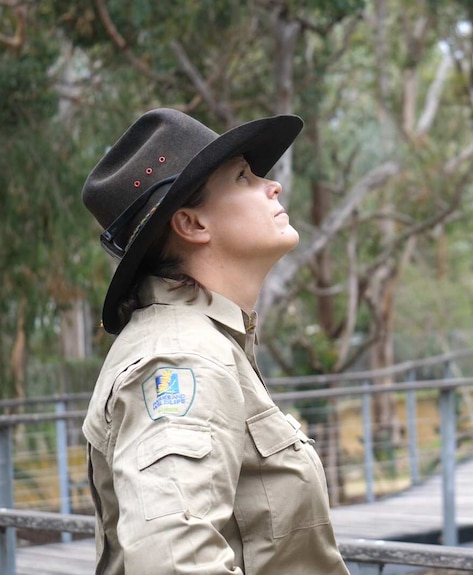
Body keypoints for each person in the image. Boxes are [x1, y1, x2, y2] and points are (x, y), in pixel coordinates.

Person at [80, 108, 350, 574]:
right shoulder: (182, 357)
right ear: (192, 225)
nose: (272, 185)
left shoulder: (207, 343)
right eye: (243, 177)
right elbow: (174, 561)